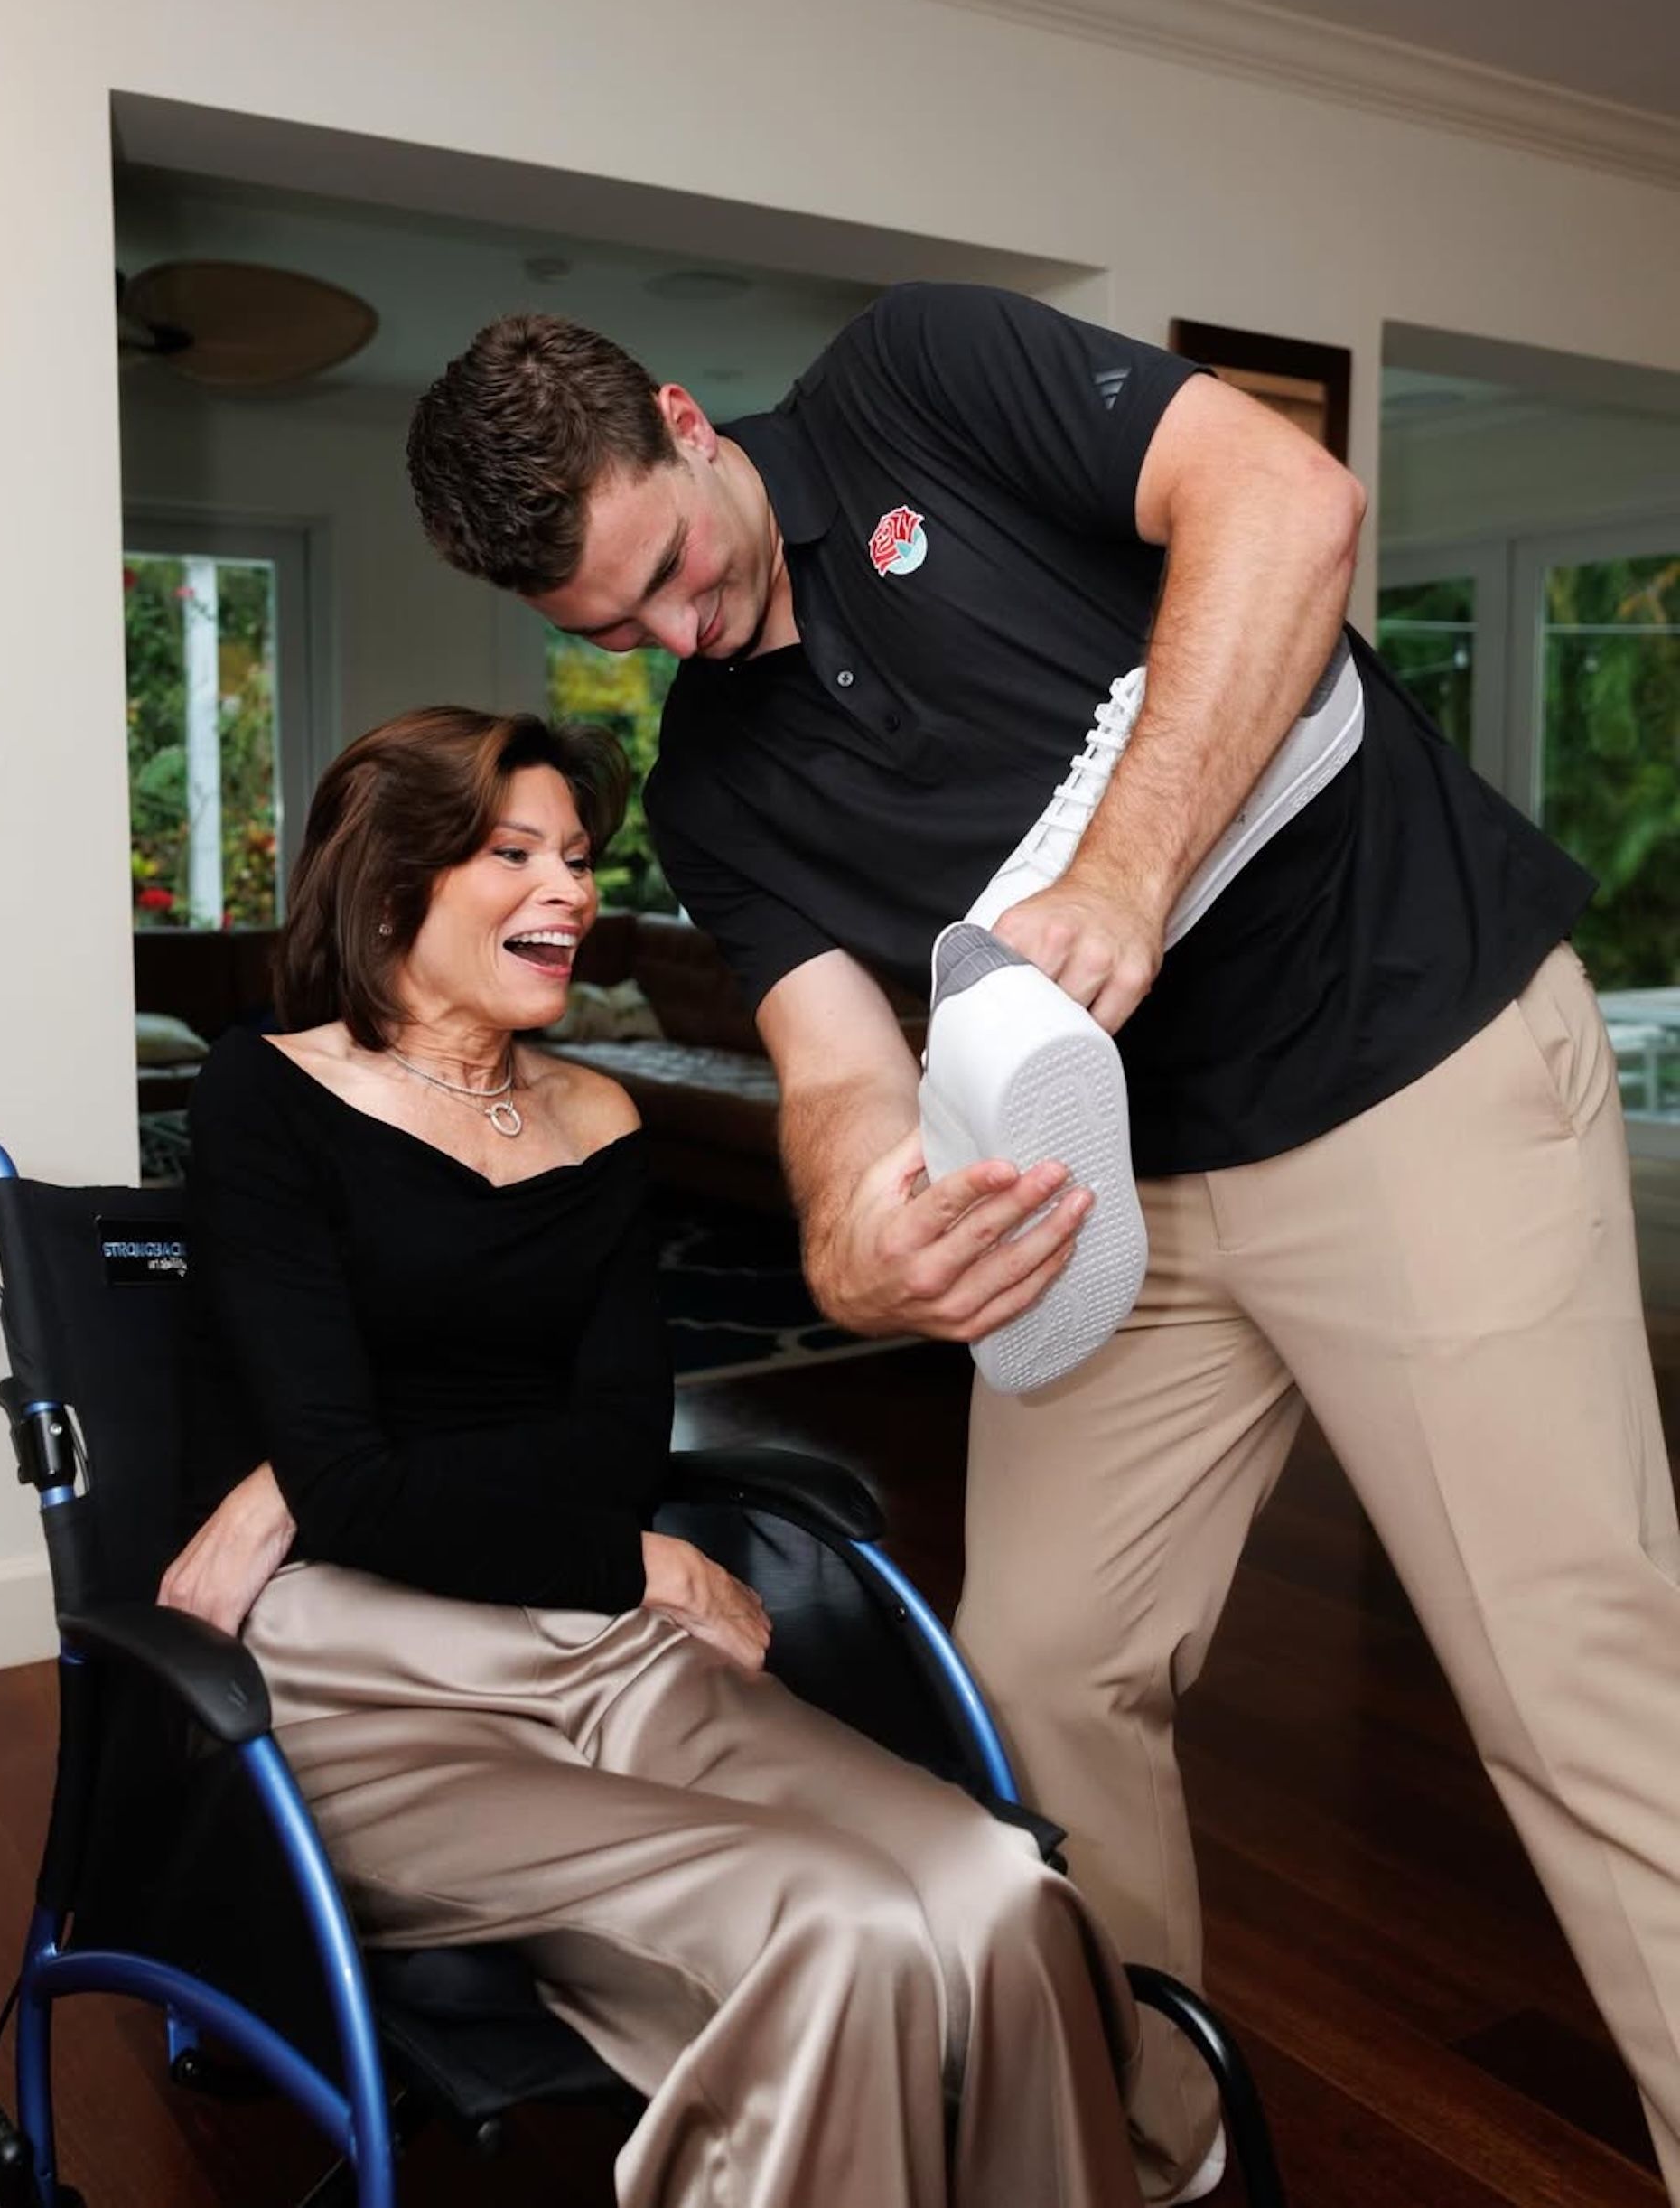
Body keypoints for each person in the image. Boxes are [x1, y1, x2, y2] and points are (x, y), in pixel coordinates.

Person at [406, 287, 1680, 2206]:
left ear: (684, 419)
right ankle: (1158, 2147)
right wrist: (855, 1238)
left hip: (1402, 1056)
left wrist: (1122, 878)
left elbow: (1289, 504)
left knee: (1571, 1680)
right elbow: (840, 1070)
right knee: (1040, 1667)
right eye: (611, 630)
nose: (676, 634)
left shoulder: (921, 382)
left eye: (667, 569)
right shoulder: (714, 787)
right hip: (1123, 1189)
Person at [156, 703, 1143, 2208]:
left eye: (578, 855)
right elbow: (363, 1492)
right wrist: (603, 1547)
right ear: (393, 883)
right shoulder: (265, 1093)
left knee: (997, 1888)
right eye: (515, 853)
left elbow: (606, 1446)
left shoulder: (601, 1117)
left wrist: (318, 1468)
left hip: (600, 1641)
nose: (570, 889)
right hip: (369, 1680)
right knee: (839, 1921)